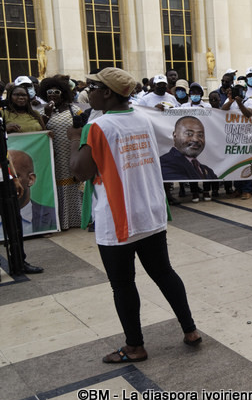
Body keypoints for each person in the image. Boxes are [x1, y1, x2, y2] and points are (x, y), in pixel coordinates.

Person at [67, 67, 201, 363]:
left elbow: (81, 171)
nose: (88, 92)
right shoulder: (142, 118)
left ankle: (135, 346)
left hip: (118, 216)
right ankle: (190, 330)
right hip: (150, 210)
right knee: (164, 272)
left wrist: (75, 137)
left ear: (107, 93)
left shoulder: (98, 126)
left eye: (93, 87)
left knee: (123, 284)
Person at [40, 76, 84, 229]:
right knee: (59, 185)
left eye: (56, 92)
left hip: (72, 152)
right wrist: (46, 115)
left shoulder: (74, 110)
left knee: (76, 183)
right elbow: (40, 131)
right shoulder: (43, 112)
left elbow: (83, 129)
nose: (52, 95)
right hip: (55, 156)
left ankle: (79, 219)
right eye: (49, 92)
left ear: (63, 93)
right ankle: (62, 222)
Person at [159, 116, 218, 181]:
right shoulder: (164, 164)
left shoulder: (208, 171)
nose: (195, 139)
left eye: (200, 135)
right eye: (189, 134)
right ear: (175, 136)